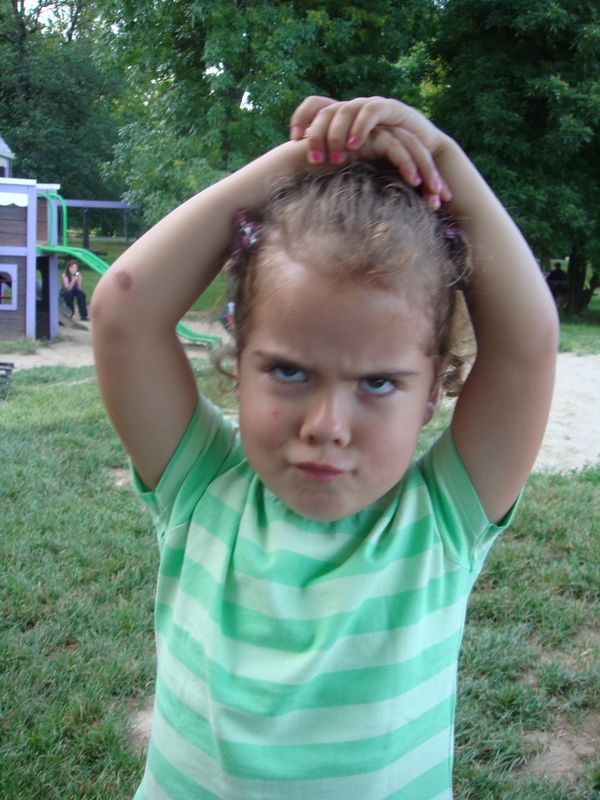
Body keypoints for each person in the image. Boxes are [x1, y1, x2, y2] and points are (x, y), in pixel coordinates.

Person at [92, 96, 558, 799]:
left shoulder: (442, 520)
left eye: (378, 382)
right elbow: (123, 307)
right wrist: (302, 161)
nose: (326, 425)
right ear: (238, 365)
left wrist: (444, 163)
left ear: (433, 391)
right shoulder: (201, 487)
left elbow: (528, 348)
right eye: (288, 371)